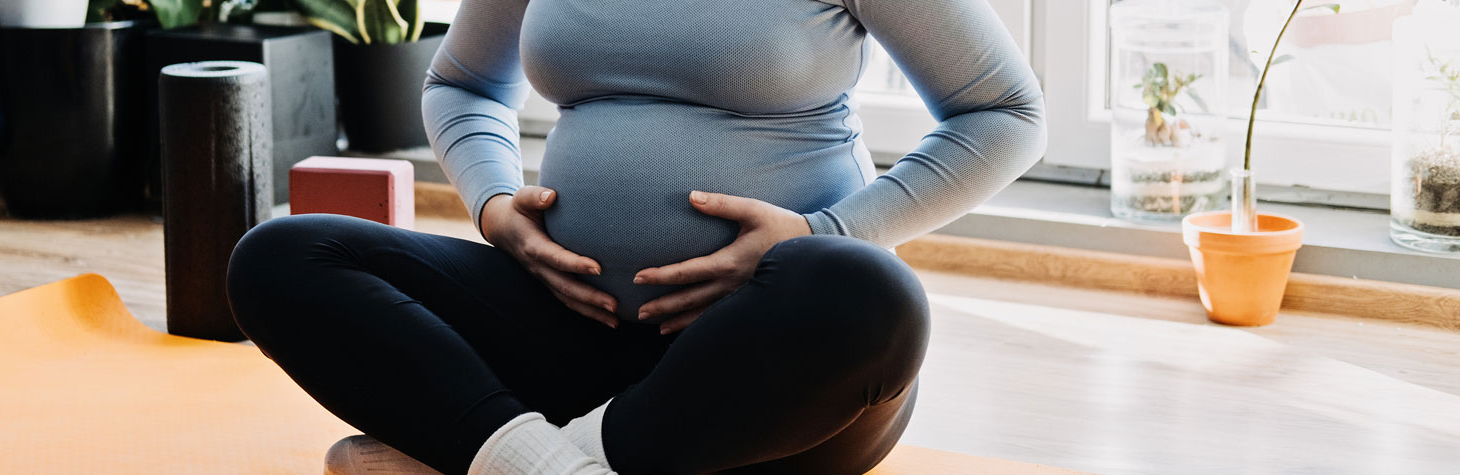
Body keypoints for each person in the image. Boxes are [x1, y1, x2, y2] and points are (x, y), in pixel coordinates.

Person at [226, 0, 1046, 473]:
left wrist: (820, 228)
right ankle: (555, 460)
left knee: (874, 296)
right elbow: (462, 83)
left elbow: (1006, 112)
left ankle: (514, 454)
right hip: (566, 334)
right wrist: (494, 205)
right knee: (283, 256)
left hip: (770, 384)